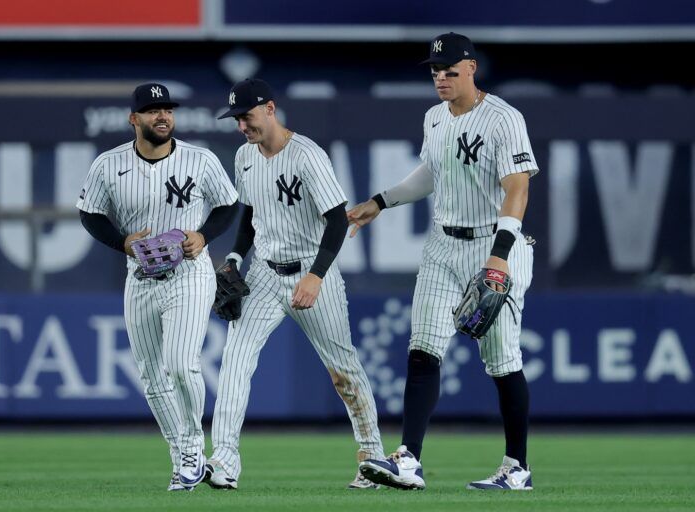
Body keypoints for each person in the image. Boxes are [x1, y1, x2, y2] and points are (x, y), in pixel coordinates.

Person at [349, 32, 538, 491]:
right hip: (441, 246)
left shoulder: (504, 119)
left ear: (471, 68)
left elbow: (517, 187)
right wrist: (382, 200)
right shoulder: (434, 117)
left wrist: (500, 255)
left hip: (494, 247)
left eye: (451, 70)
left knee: (501, 360)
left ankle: (517, 467)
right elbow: (432, 173)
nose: (441, 78)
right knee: (423, 348)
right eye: (436, 71)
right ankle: (408, 459)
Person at [205, 78, 385, 490]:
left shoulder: (307, 156)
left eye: (246, 117)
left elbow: (337, 219)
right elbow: (249, 216)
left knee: (343, 370)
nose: (241, 127)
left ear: (269, 109)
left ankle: (372, 456)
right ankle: (225, 461)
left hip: (310, 268)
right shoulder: (244, 157)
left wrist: (317, 276)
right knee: (235, 361)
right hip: (265, 273)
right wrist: (234, 257)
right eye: (236, 120)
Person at [77, 83, 239, 491]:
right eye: (152, 110)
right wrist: (122, 242)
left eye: (167, 109)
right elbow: (90, 213)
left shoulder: (199, 159)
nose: (162, 116)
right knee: (151, 375)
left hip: (190, 273)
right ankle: (185, 455)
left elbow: (228, 204)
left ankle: (192, 448)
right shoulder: (108, 165)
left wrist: (203, 236)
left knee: (182, 363)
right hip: (141, 278)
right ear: (134, 119)